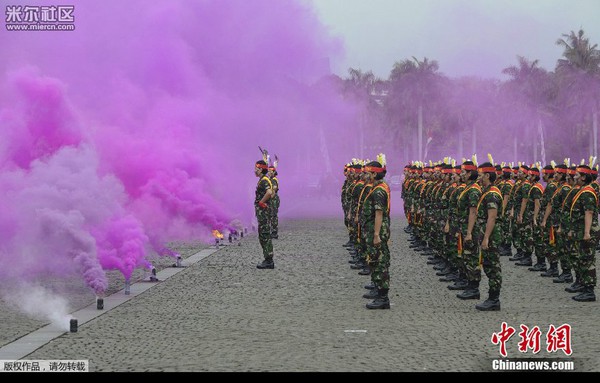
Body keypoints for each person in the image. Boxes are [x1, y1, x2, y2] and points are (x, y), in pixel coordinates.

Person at [361, 156, 391, 309]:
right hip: (373, 229)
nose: (365, 175)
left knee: (380, 262)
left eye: (368, 173)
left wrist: (376, 234)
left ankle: (383, 297)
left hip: (377, 230)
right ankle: (378, 290)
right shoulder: (376, 187)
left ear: (374, 174)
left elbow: (379, 213)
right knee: (374, 260)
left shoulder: (379, 191)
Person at [474, 161, 503, 311]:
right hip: (487, 233)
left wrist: (486, 238)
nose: (478, 178)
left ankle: (494, 299)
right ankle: (492, 298)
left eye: (480, 175)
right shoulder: (487, 191)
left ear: (487, 175)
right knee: (488, 264)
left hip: (491, 235)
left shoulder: (492, 194)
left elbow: (492, 217)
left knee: (493, 266)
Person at [568, 164, 598, 302]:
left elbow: (589, 212)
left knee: (587, 260)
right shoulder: (583, 190)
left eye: (577, 175)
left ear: (584, 177)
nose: (574, 177)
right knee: (582, 259)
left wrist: (587, 232)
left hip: (587, 231)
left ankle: (589, 290)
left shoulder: (587, 192)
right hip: (580, 230)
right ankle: (584, 285)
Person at [255, 159, 274, 269]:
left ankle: (269, 260)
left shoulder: (264, 180)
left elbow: (270, 192)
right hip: (263, 212)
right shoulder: (263, 179)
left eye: (256, 169)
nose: (254, 171)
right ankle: (267, 259)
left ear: (261, 169)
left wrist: (262, 202)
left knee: (265, 235)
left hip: (264, 213)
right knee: (263, 235)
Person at [268, 164, 280, 239]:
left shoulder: (273, 180)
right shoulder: (272, 179)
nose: (268, 172)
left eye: (270, 171)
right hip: (273, 199)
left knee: (273, 216)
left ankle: (274, 232)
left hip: (273, 200)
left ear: (273, 172)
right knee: (271, 216)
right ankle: (273, 231)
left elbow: (274, 188)